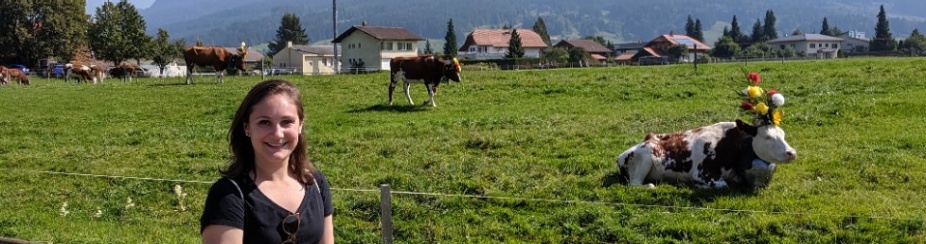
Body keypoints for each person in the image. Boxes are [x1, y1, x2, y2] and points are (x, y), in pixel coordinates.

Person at [201, 80, 334, 243]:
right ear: (247, 127)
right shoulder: (228, 195)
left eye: (287, 122)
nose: (277, 134)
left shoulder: (315, 183)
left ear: (300, 125)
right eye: (264, 122)